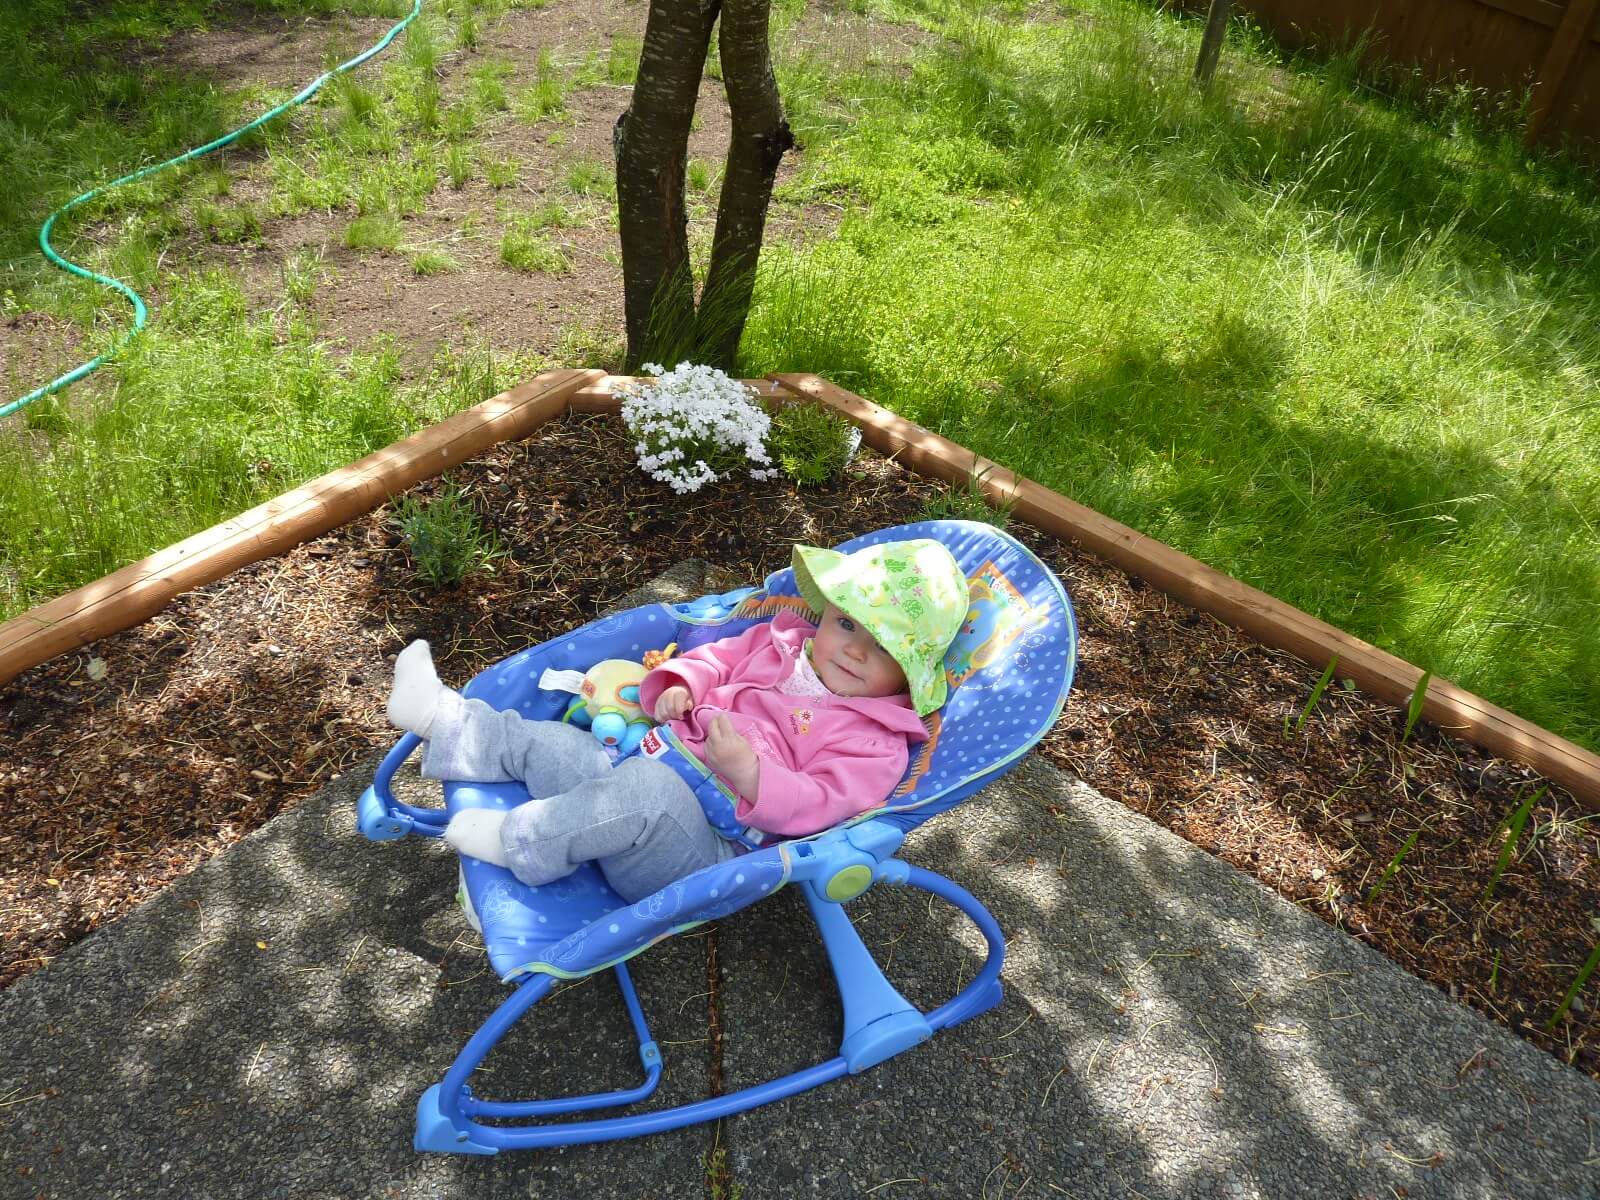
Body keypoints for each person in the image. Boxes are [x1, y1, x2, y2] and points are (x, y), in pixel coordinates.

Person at [384, 538, 969, 902]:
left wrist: (751, 774)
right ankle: (445, 718)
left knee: (647, 795)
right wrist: (679, 684)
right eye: (847, 625)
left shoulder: (878, 739)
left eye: (885, 647)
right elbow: (715, 659)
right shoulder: (782, 640)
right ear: (828, 614)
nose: (854, 650)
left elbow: (824, 805)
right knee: (559, 744)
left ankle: (523, 844)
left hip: (703, 853)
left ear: (913, 673)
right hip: (638, 763)